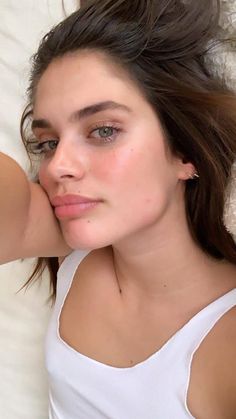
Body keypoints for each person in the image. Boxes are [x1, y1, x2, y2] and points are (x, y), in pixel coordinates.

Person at [1, 0, 236, 417]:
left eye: (103, 130)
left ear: (185, 150)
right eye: (48, 142)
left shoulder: (223, 343)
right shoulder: (75, 241)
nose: (57, 167)